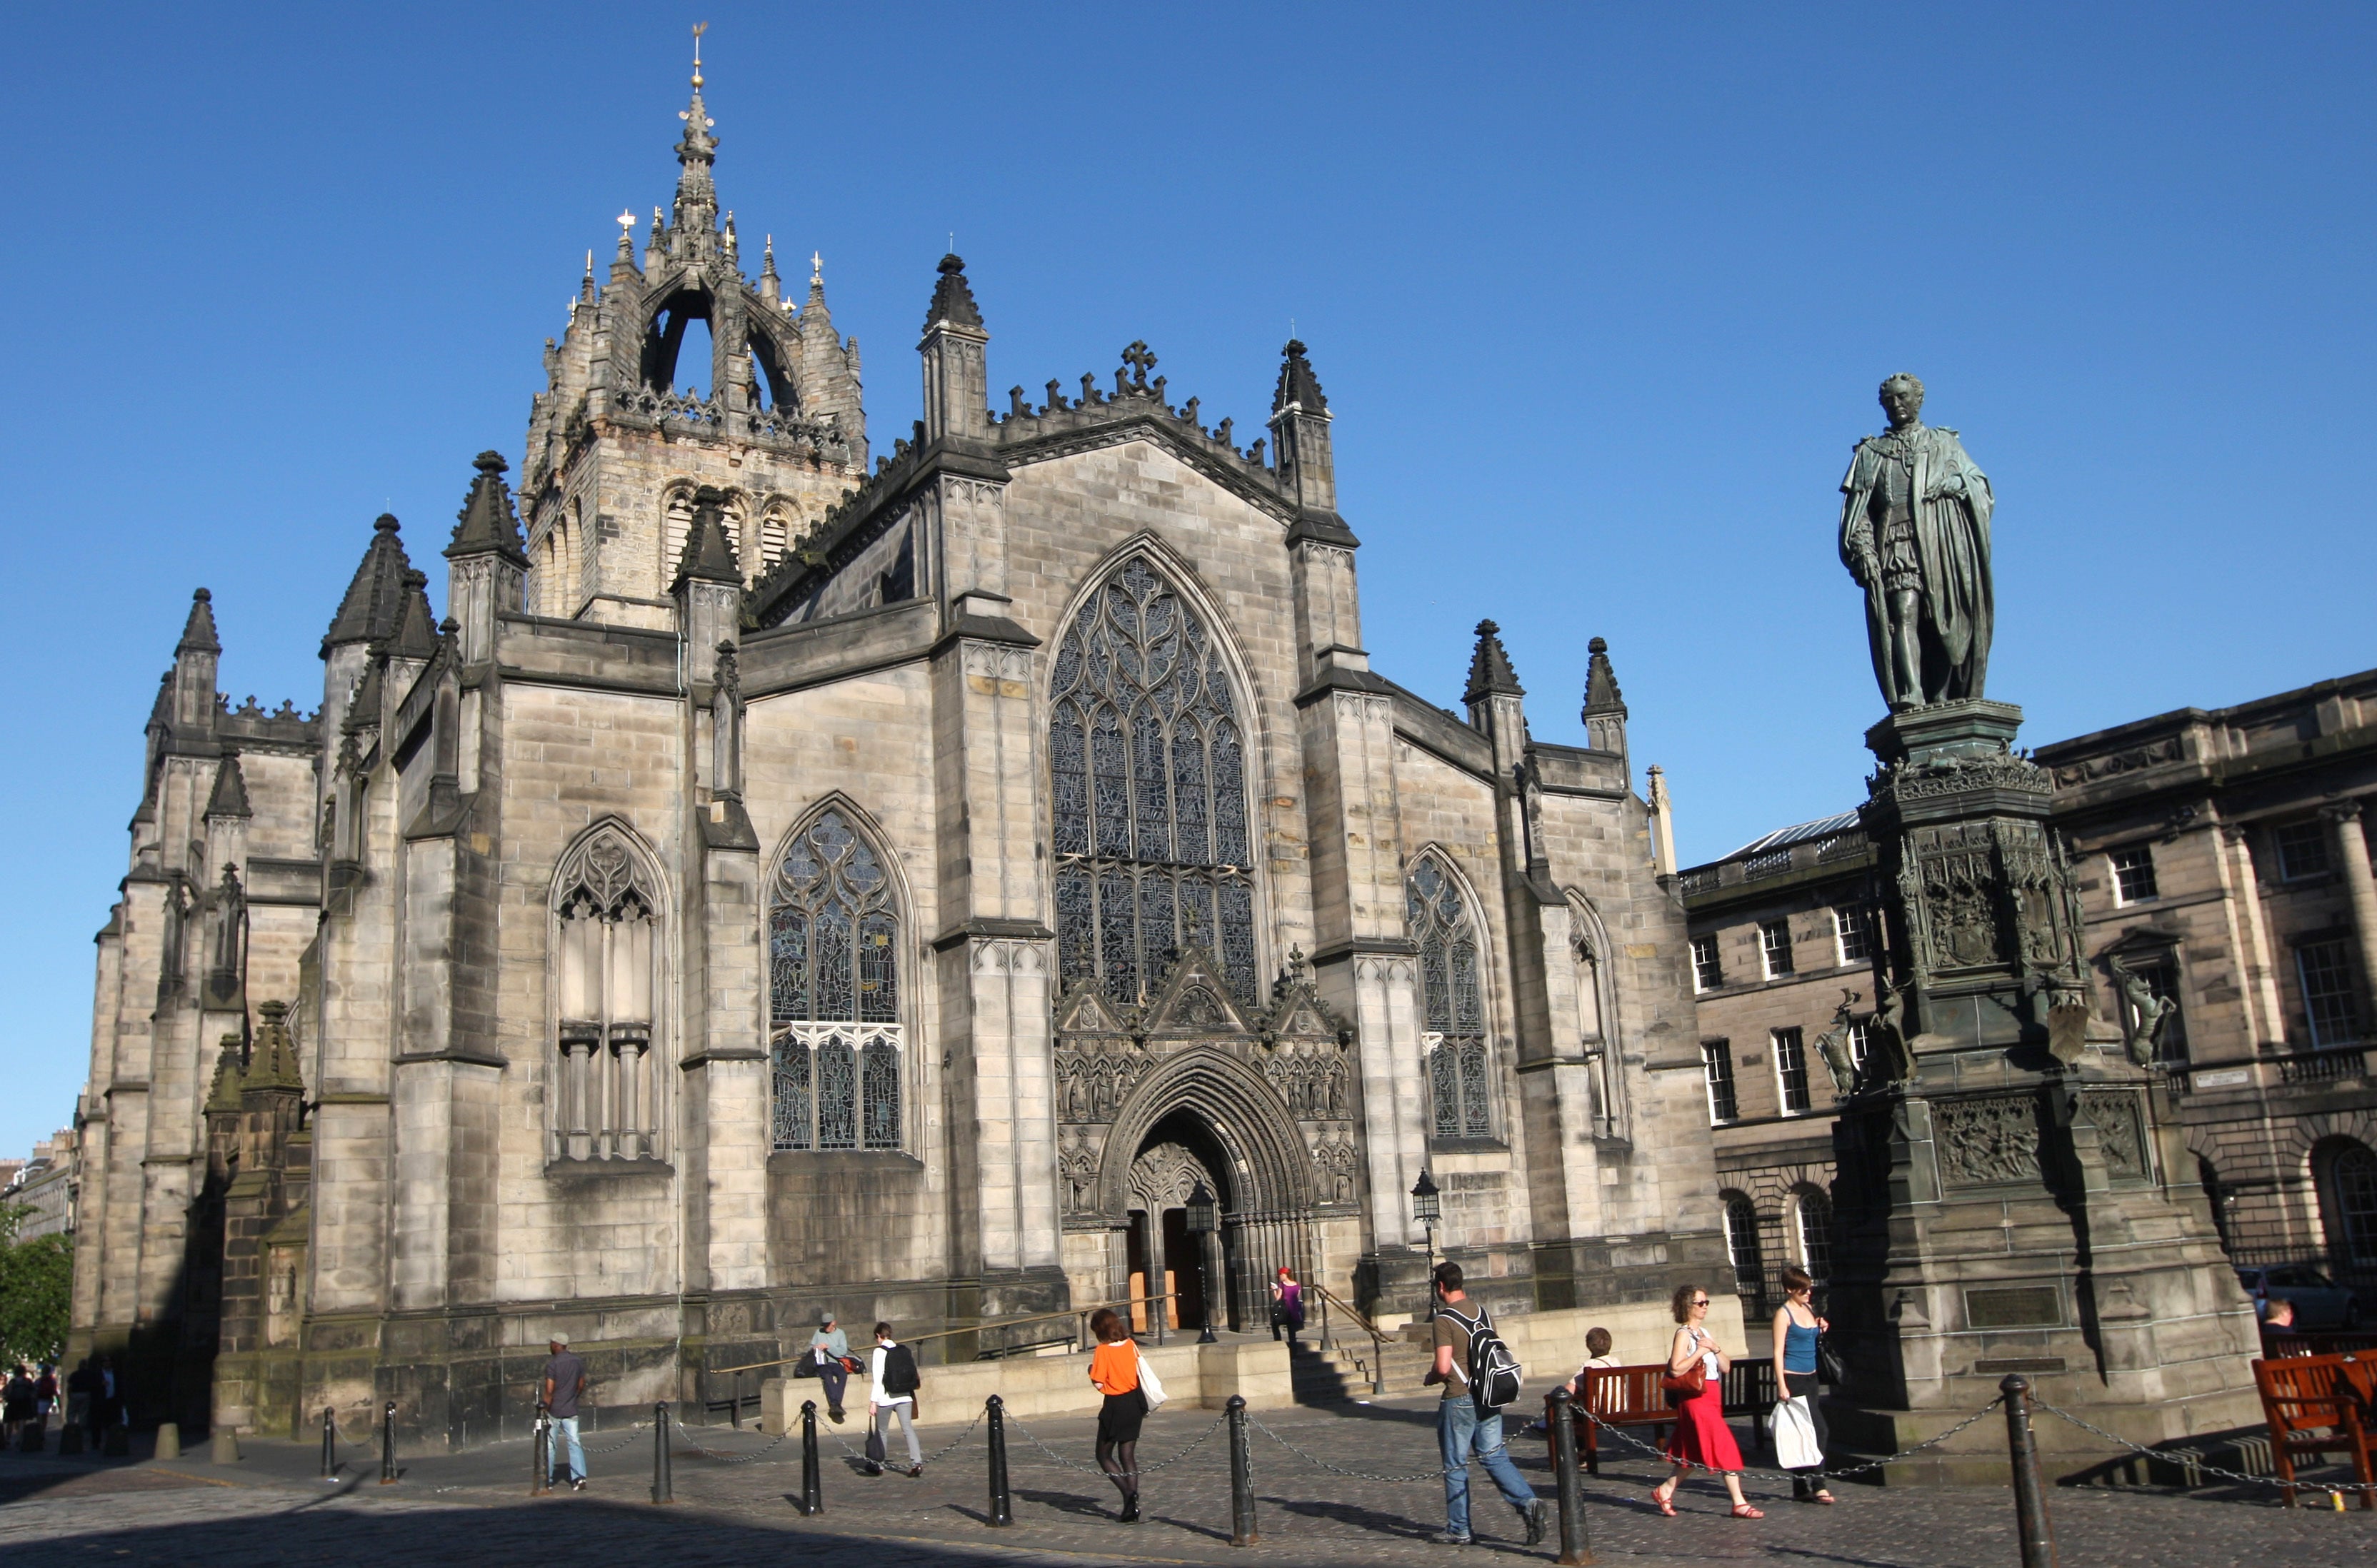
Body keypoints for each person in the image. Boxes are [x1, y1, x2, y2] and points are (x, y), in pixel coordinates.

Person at [1424, 1262, 1548, 1547]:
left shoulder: (1444, 1320)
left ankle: (1459, 1529)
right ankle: (1528, 1503)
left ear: (1441, 1287)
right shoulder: (1482, 1312)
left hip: (1459, 1397)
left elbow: (1444, 1366)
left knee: (1455, 1464)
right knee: (1494, 1456)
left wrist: (1431, 1379)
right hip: (1489, 1394)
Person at [1651, 1284, 1760, 1519]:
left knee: (1691, 1452)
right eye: (1700, 1303)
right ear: (1688, 1307)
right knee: (1725, 1445)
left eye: (1706, 1302)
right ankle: (1739, 1502)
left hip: (1712, 1396)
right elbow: (1676, 1368)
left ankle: (1665, 1490)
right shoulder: (1683, 1334)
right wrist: (1699, 1352)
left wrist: (1715, 1348)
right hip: (1695, 1399)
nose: (1705, 1307)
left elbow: (1726, 1366)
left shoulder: (1705, 1333)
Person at [1771, 1267, 1834, 1504]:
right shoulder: (1783, 1314)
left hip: (1812, 1377)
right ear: (1790, 1290)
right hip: (1793, 1378)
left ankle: (1799, 1486)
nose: (1809, 1293)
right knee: (1819, 1429)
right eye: (1804, 1290)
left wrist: (1820, 1326)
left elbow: (1811, 1334)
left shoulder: (1808, 1308)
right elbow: (1778, 1352)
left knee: (1804, 1431)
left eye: (1810, 1289)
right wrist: (1782, 1384)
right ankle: (1819, 1484)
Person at [1086, 1307, 1146, 1522]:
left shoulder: (1103, 1351)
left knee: (1103, 1454)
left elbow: (1100, 1383)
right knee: (1127, 1456)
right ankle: (1131, 1508)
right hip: (1134, 1404)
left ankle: (1129, 1494)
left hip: (1115, 1405)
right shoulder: (1131, 1345)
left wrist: (1090, 1373)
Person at [866, 1322, 923, 1477]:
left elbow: (877, 1379)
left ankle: (879, 1464)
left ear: (879, 1336)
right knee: (908, 1429)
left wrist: (873, 1402)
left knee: (882, 1431)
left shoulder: (879, 1352)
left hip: (886, 1397)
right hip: (905, 1395)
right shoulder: (902, 1350)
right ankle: (916, 1463)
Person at [541, 1334, 589, 1490]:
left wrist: (545, 1409)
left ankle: (547, 1480)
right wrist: (573, 1397)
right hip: (571, 1408)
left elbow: (549, 1390)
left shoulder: (553, 1365)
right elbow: (581, 1384)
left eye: (551, 1344)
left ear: (556, 1345)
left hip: (555, 1409)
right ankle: (579, 1478)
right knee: (575, 1443)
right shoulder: (577, 1362)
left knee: (550, 1445)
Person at [809, 1315, 852, 1423]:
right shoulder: (818, 1332)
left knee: (842, 1375)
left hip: (835, 1362)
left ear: (834, 1323)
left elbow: (842, 1352)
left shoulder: (840, 1333)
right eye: (824, 1325)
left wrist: (828, 1347)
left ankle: (835, 1404)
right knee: (827, 1376)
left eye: (827, 1325)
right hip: (822, 1363)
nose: (826, 1328)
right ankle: (836, 1404)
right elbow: (811, 1347)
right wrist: (815, 1348)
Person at [1271, 1267, 1306, 1345]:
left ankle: (1278, 1344)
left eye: (1280, 1275)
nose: (1279, 1276)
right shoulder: (1297, 1285)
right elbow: (1296, 1297)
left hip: (1285, 1310)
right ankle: (1294, 1352)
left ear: (1285, 1275)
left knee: (1275, 1325)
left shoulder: (1282, 1285)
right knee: (1292, 1332)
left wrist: (1274, 1290)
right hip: (1294, 1311)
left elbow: (1278, 1298)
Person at [2, 1365, 31, 1446]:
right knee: (22, 1422)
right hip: (24, 1403)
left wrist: (7, 1398)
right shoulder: (27, 1381)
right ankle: (20, 1439)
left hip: (13, 1403)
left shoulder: (13, 1381)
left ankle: (8, 1439)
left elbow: (8, 1392)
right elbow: (32, 1392)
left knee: (10, 1422)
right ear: (24, 1372)